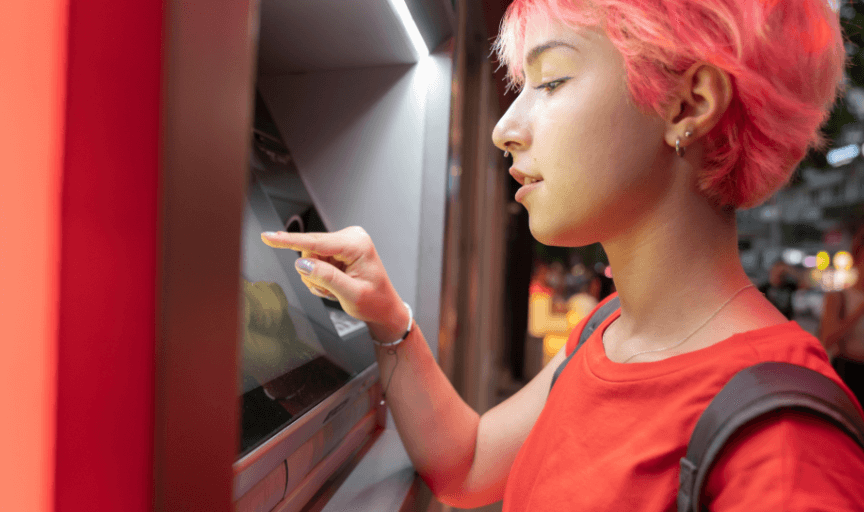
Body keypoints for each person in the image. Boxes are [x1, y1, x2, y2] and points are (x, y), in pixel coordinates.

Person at [261, 0, 864, 509]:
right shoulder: (604, 332)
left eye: (550, 82)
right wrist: (387, 317)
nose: (504, 127)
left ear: (689, 104)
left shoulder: (785, 446)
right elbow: (467, 465)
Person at [821, 224, 864, 407]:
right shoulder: (839, 296)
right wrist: (858, 312)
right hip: (850, 372)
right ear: (858, 256)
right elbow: (827, 339)